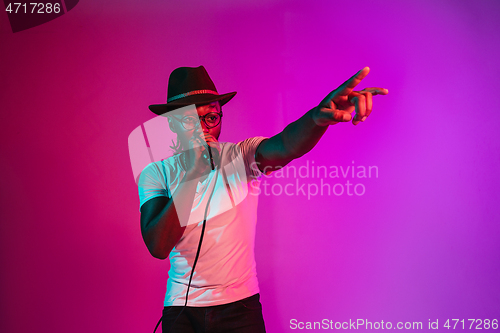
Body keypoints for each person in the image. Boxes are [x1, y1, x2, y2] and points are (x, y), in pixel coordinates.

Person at [138, 66, 388, 332]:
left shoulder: (242, 156)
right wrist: (192, 176)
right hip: (182, 312)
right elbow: (158, 245)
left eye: (211, 117)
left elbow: (286, 145)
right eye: (190, 120)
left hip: (240, 310)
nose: (203, 129)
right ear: (173, 123)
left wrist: (317, 118)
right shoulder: (157, 173)